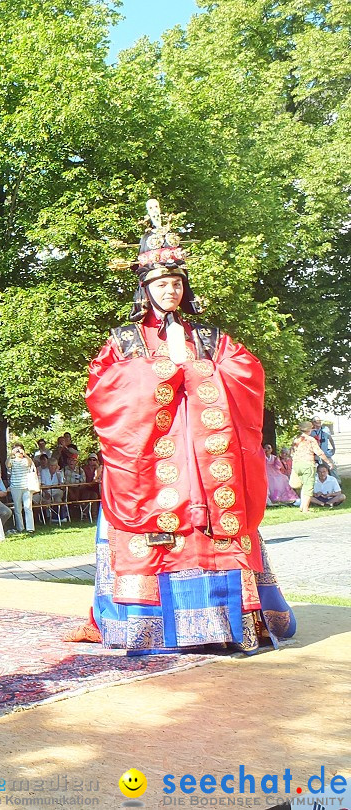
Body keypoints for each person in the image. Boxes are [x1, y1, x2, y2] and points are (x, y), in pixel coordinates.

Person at [70, 199, 295, 653]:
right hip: (151, 467)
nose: (170, 290)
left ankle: (230, 627)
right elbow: (103, 391)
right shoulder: (123, 340)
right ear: (145, 288)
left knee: (220, 529)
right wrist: (159, 375)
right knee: (152, 532)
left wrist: (199, 372)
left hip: (211, 467)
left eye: (176, 282)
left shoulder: (209, 338)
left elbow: (246, 373)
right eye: (161, 283)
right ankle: (145, 629)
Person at [291, 421, 334, 513]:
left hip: (297, 464)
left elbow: (292, 452)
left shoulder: (296, 439)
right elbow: (319, 452)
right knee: (308, 487)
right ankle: (305, 509)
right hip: (307, 464)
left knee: (302, 486)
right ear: (309, 429)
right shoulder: (310, 439)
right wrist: (328, 462)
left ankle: (302, 507)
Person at [6, 444, 36, 534]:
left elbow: (30, 463)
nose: (18, 451)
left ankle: (30, 528)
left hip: (27, 486)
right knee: (17, 508)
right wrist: (11, 454)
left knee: (28, 507)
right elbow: (7, 465)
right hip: (15, 487)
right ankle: (20, 527)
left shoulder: (26, 460)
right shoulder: (12, 460)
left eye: (20, 450)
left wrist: (25, 455)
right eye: (17, 450)